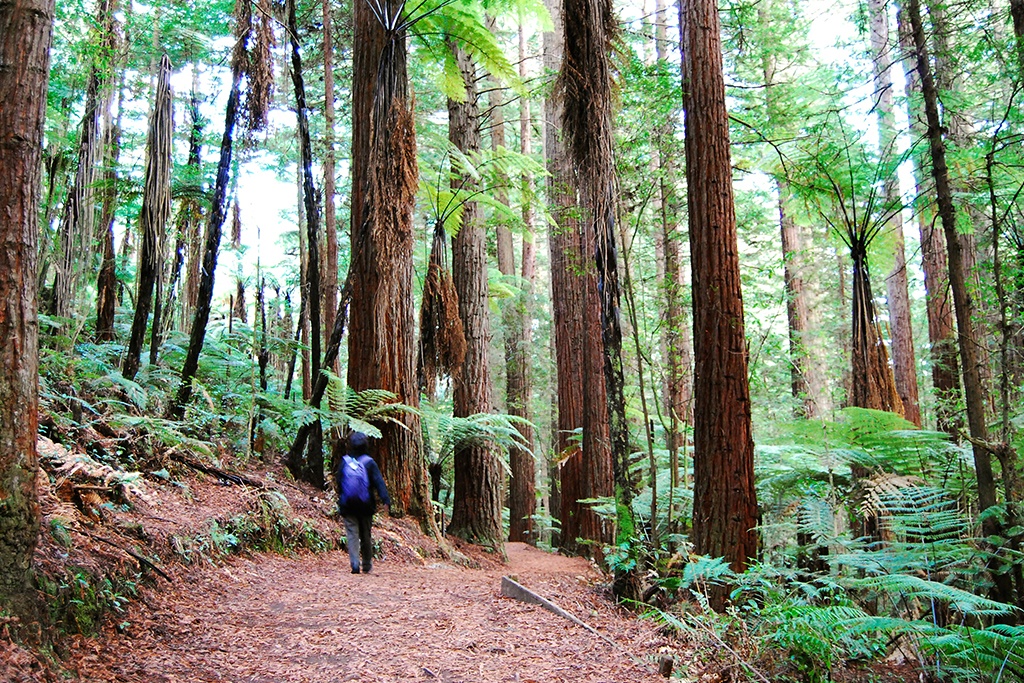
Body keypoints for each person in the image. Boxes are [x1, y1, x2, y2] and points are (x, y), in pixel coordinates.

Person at [336, 431, 390, 574]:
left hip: (348, 505)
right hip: (366, 505)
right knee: (366, 534)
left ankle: (354, 563)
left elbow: (339, 481)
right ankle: (366, 563)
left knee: (352, 533)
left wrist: (342, 497)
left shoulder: (345, 461)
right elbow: (379, 482)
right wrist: (385, 500)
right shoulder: (369, 462)